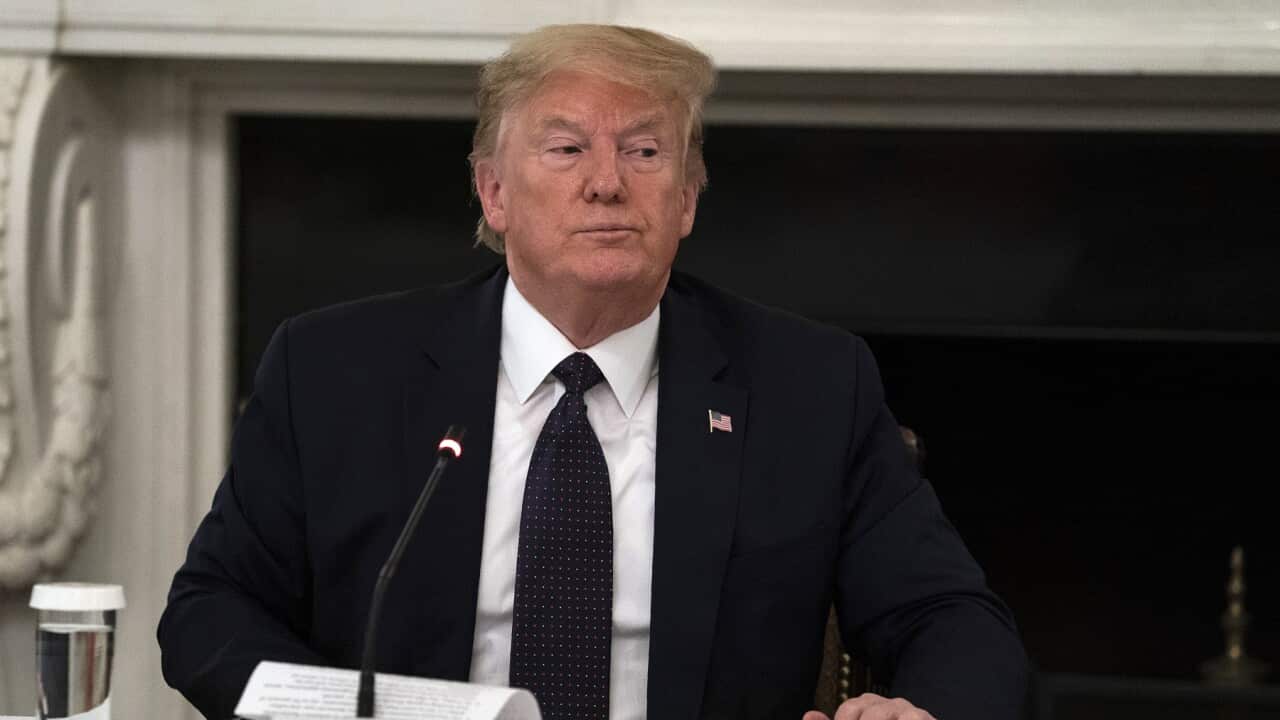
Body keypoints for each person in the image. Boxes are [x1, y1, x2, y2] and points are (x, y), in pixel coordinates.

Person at [158, 24, 1029, 720]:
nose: (608, 184)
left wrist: (924, 712)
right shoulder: (333, 370)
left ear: (686, 198)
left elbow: (954, 620)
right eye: (567, 149)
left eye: (646, 153)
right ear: (494, 193)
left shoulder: (809, 386)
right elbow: (210, 611)